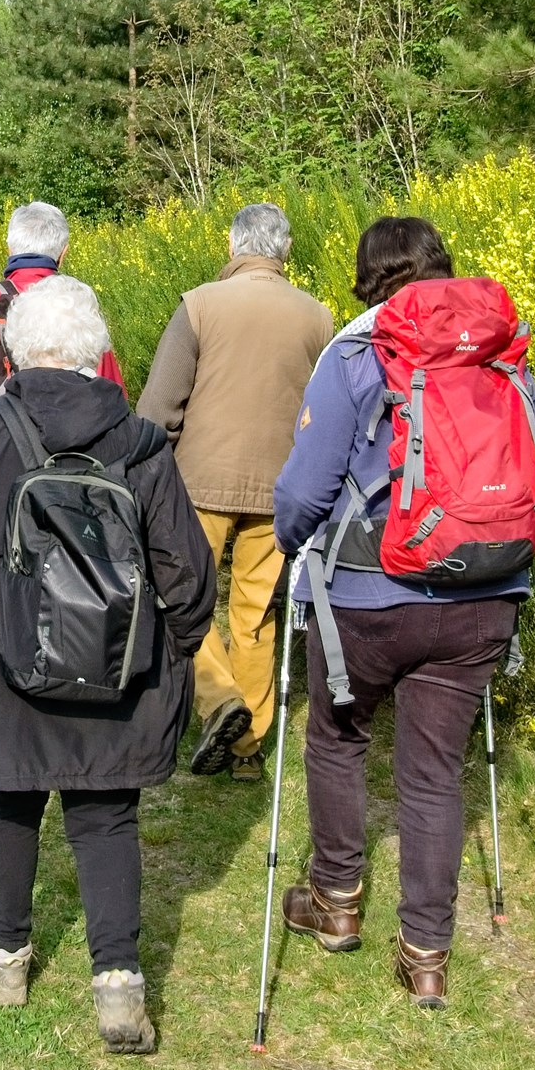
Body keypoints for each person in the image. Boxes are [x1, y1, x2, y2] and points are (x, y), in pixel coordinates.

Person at [0, 274, 216, 1054]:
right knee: (106, 814)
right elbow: (189, 576)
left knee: (6, 802)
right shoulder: (141, 444)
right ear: (97, 352)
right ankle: (118, 983)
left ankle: (6, 958)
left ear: (13, 349)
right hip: (116, 671)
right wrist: (169, 653)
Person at [270, 216, 535, 1009]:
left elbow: (304, 490)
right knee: (434, 773)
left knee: (337, 737)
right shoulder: (498, 350)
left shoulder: (357, 351)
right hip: (482, 596)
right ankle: (426, 955)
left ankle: (335, 900)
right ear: (444, 266)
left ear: (367, 277)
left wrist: (292, 547)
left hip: (367, 597)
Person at [135, 202, 335, 781]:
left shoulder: (200, 304)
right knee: (255, 614)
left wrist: (144, 468)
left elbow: (160, 405)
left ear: (232, 246)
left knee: (184, 600)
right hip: (280, 488)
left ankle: (220, 699)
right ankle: (247, 748)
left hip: (199, 484)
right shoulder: (319, 317)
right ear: (285, 251)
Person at [0, 201, 122, 419]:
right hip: (74, 434)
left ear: (10, 249)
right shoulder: (78, 305)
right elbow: (110, 392)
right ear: (63, 254)